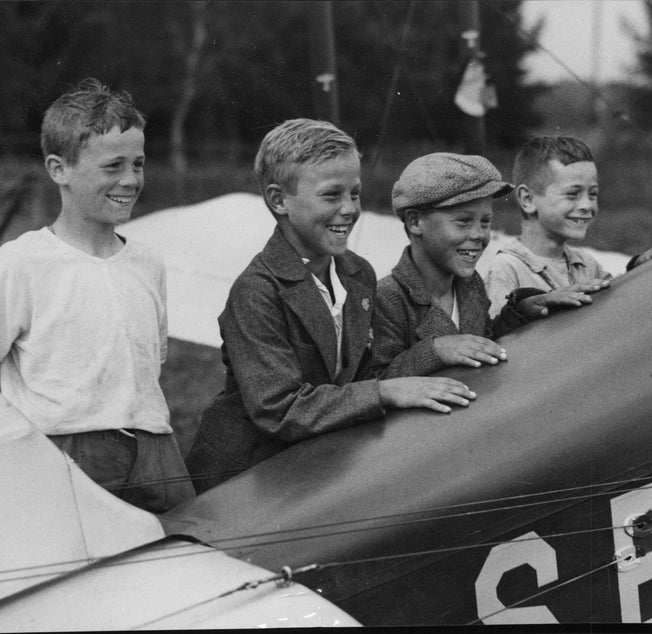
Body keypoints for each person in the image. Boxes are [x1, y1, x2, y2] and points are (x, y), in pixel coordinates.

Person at [184, 119, 475, 493]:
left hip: (316, 467)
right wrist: (385, 393)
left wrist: (433, 351)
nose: (349, 209)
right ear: (278, 200)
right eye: (331, 195)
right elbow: (279, 409)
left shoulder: (357, 273)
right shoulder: (257, 291)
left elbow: (365, 374)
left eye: (354, 193)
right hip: (244, 480)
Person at [0, 78, 194, 513]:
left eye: (138, 164)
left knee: (191, 553)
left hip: (156, 449)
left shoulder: (147, 262)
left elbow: (148, 363)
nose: (130, 180)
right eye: (112, 167)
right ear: (58, 169)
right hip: (66, 451)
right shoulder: (23, 262)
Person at [371, 152, 595, 379]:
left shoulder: (469, 285)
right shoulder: (386, 299)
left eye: (485, 221)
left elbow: (484, 342)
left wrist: (524, 311)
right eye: (464, 221)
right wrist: (436, 351)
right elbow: (374, 383)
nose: (479, 234)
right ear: (415, 221)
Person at [483, 136, 652, 317]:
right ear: (527, 199)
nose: (587, 206)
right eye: (572, 194)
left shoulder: (586, 264)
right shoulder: (506, 269)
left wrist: (640, 268)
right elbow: (499, 337)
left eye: (592, 194)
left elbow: (617, 303)